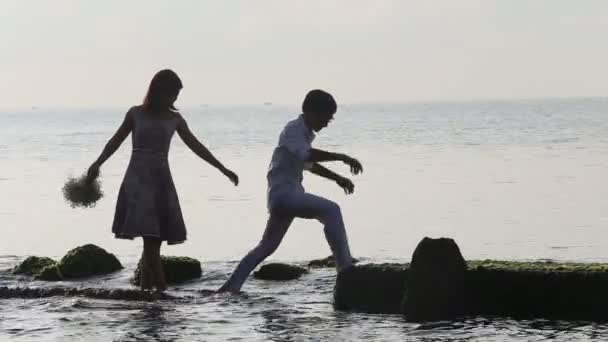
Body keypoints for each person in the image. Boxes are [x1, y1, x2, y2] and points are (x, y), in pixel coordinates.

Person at [86, 69, 239, 293]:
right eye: (172, 94)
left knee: (154, 241)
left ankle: (147, 295)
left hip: (161, 182)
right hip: (137, 182)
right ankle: (161, 291)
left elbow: (196, 146)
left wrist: (222, 168)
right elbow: (115, 142)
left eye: (176, 95)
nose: (174, 99)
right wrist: (97, 163)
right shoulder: (135, 114)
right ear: (158, 92)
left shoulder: (175, 119)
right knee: (150, 240)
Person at [218, 89, 362, 293]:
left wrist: (337, 178)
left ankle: (230, 287)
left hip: (282, 197)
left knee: (267, 246)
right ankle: (345, 270)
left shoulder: (302, 134)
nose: (327, 122)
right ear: (312, 112)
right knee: (332, 211)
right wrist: (342, 157)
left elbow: (308, 163)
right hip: (286, 196)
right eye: (326, 117)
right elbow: (306, 156)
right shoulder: (293, 130)